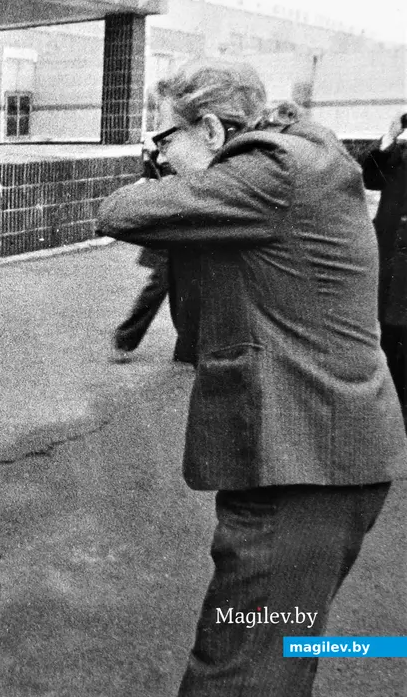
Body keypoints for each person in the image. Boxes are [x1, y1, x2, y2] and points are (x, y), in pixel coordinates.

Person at [96, 58, 407, 696]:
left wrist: (163, 181)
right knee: (275, 654)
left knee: (237, 673)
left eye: (160, 141)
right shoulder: (287, 172)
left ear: (211, 130)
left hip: (304, 466)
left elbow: (121, 210)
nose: (155, 156)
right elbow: (195, 314)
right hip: (317, 458)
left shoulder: (272, 171)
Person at [359, 111, 407, 408]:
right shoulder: (398, 156)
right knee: (389, 329)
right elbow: (371, 177)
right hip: (392, 258)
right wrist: (390, 135)